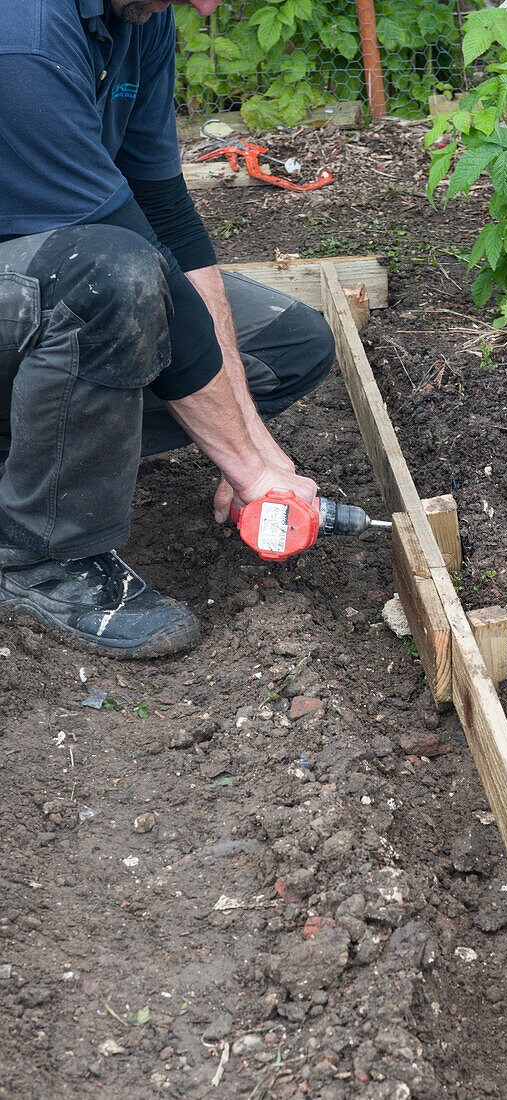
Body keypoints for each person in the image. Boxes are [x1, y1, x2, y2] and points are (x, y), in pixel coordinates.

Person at [0, 0, 335, 657]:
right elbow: (126, 260)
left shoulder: (140, 16)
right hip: (43, 272)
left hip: (40, 280)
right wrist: (244, 467)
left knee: (290, 343)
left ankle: (28, 463)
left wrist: (262, 452)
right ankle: (41, 559)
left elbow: (164, 210)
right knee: (112, 280)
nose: (205, 5)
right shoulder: (24, 38)